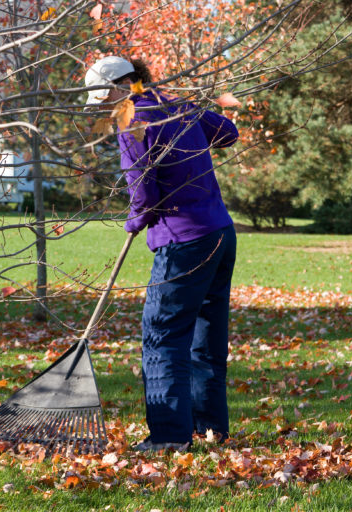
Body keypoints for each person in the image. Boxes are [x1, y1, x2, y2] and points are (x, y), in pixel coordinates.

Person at [85, 56, 239, 452]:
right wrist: (190, 120)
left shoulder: (132, 123)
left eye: (104, 98)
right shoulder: (176, 104)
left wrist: (137, 219)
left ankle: (170, 437)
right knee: (206, 334)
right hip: (220, 234)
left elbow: (144, 193)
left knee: (162, 337)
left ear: (122, 86)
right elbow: (227, 132)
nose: (103, 107)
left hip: (183, 241)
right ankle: (210, 429)